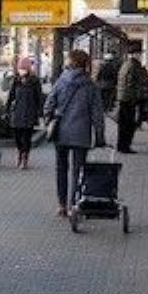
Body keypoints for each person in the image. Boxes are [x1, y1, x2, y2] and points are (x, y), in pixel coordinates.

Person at [43, 48, 106, 217]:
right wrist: (100, 136)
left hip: (61, 132)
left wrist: (50, 121)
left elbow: (48, 104)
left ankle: (61, 205)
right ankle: (74, 205)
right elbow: (97, 114)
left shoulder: (61, 81)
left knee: (61, 168)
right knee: (79, 171)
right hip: (81, 134)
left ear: (71, 62)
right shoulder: (90, 85)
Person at [4, 55, 44, 169]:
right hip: (17, 112)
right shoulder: (16, 80)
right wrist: (7, 109)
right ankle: (19, 152)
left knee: (26, 137)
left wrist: (40, 113)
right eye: (20, 68)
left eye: (24, 68)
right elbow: (11, 95)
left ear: (28, 69)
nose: (21, 71)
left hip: (29, 112)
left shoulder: (34, 81)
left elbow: (39, 97)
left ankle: (24, 158)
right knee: (17, 136)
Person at [115, 44, 148, 154]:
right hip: (130, 99)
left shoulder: (127, 64)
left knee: (124, 124)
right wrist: (138, 96)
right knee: (128, 124)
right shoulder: (133, 66)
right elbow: (132, 83)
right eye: (140, 53)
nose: (141, 55)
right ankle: (125, 146)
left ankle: (122, 145)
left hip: (125, 98)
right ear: (135, 54)